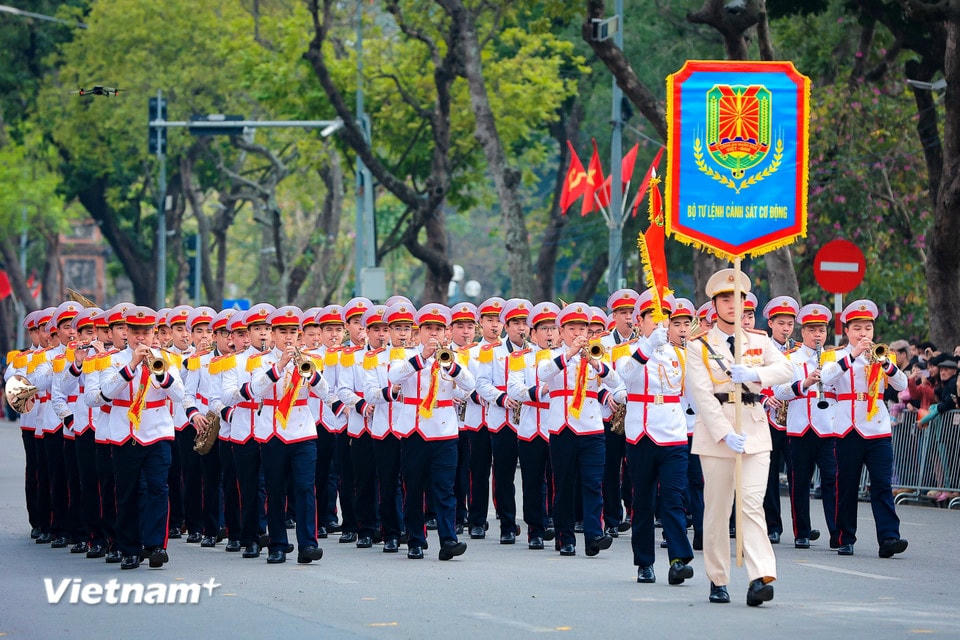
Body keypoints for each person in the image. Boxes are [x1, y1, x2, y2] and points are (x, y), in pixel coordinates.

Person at [684, 269, 793, 606]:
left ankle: (760, 575)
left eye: (738, 298)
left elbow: (787, 369)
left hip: (755, 429)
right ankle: (718, 578)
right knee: (717, 511)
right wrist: (724, 434)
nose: (733, 304)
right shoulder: (699, 345)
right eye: (725, 299)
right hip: (718, 437)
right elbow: (700, 394)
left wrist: (756, 373)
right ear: (714, 304)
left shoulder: (759, 341)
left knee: (750, 504)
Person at [613, 290, 695, 586]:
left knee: (674, 499)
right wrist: (647, 346)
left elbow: (693, 397)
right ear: (641, 321)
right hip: (641, 433)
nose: (661, 325)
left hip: (673, 433)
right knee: (643, 501)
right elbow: (624, 376)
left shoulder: (682, 355)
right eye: (654, 319)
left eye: (666, 320)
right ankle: (644, 563)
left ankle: (677, 559)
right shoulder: (629, 352)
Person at [820, 299, 909, 558]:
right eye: (857, 328)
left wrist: (886, 365)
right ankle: (844, 537)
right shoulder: (835, 355)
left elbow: (902, 385)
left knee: (882, 484)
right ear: (847, 330)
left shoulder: (884, 354)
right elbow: (826, 378)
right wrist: (854, 355)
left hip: (878, 427)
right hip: (847, 428)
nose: (863, 334)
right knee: (846, 486)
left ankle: (889, 538)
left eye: (867, 328)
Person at [388, 303, 476, 560]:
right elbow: (394, 377)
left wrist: (450, 366)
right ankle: (416, 539)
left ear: (446, 332)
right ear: (419, 331)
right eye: (428, 329)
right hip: (414, 430)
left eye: (438, 329)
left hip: (444, 430)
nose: (433, 334)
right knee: (413, 487)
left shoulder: (453, 357)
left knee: (444, 488)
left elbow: (470, 385)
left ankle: (449, 539)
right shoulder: (406, 355)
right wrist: (422, 358)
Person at [100, 305, 185, 569]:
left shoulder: (167, 359)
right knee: (127, 492)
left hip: (157, 430)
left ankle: (156, 545)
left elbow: (180, 395)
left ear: (154, 333)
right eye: (136, 332)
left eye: (146, 332)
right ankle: (129, 548)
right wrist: (133, 365)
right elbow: (106, 393)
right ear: (127, 332)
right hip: (125, 431)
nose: (141, 338)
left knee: (158, 489)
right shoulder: (113, 360)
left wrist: (160, 374)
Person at [537, 302, 624, 557]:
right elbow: (544, 374)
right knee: (563, 484)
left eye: (582, 328)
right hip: (562, 426)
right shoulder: (550, 355)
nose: (578, 334)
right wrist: (569, 354)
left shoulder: (598, 353)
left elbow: (615, 381)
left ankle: (594, 534)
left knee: (593, 483)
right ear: (561, 331)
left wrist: (596, 364)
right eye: (572, 329)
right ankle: (565, 537)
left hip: (591, 426)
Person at [249, 306, 327, 565]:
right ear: (272, 334)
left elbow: (326, 393)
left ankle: (308, 544)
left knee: (305, 488)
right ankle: (278, 545)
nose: (288, 338)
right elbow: (255, 390)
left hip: (303, 430)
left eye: (293, 332)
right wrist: (280, 365)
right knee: (275, 490)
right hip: (272, 431)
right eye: (283, 332)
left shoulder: (310, 359)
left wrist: (311, 374)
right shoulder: (260, 361)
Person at [772, 303, 840, 549]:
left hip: (827, 427)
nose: (817, 335)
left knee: (833, 480)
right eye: (812, 330)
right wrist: (804, 383)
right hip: (800, 427)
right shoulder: (790, 358)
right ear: (803, 333)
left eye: (821, 330)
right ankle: (801, 532)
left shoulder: (834, 358)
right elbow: (779, 390)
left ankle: (838, 533)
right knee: (799, 482)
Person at [476, 298, 531, 544]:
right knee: (504, 474)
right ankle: (507, 525)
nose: (521, 328)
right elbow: (482, 384)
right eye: (516, 323)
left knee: (533, 474)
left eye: (525, 323)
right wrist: (501, 398)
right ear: (506, 326)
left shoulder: (537, 353)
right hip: (502, 419)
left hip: (531, 419)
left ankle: (535, 524)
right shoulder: (492, 352)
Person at [507, 301, 560, 550]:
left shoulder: (565, 356)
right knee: (532, 480)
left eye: (553, 329)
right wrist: (538, 391)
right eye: (544, 329)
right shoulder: (520, 358)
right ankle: (535, 529)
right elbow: (514, 389)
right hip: (530, 424)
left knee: (558, 479)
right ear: (533, 332)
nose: (549, 334)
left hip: (557, 424)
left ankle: (558, 525)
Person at [759, 296, 799, 545]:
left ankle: (801, 528)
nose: (786, 329)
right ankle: (773, 525)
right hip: (769, 418)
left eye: (790, 324)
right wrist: (765, 398)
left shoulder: (799, 350)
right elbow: (755, 378)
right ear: (771, 323)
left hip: (795, 418)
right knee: (770, 474)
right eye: (781, 323)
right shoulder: (762, 348)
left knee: (797, 475)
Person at [600, 288, 640, 536]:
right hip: (609, 411)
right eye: (623, 313)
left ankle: (634, 513)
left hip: (636, 410)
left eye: (631, 313)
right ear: (613, 315)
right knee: (610, 467)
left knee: (635, 467)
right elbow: (594, 375)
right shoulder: (602, 343)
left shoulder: (643, 341)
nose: (627, 318)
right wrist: (605, 395)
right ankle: (612, 518)